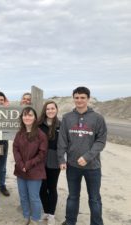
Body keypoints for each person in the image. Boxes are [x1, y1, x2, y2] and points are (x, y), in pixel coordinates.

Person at [58, 86, 107, 225]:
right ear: (73, 98)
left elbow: (101, 141)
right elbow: (62, 140)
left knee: (94, 198)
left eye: (82, 98)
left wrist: (87, 157)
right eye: (77, 97)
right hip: (72, 166)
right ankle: (70, 221)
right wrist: (62, 159)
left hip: (93, 167)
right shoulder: (67, 118)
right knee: (73, 197)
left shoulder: (97, 118)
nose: (79, 100)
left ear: (88, 99)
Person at [13, 106, 48, 225]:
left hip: (35, 171)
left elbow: (42, 153)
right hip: (20, 170)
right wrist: (20, 164)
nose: (27, 117)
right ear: (22, 117)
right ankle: (26, 216)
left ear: (35, 118)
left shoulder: (40, 134)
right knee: (23, 196)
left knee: (33, 197)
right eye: (25, 115)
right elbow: (15, 149)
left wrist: (27, 164)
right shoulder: (19, 133)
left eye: (30, 115)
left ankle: (35, 219)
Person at [38, 101, 61, 225]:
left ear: (56, 110)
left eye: (53, 108)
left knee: (52, 188)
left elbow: (64, 144)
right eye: (48, 109)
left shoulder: (61, 125)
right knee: (42, 188)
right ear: (45, 111)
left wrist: (63, 160)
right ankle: (46, 212)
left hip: (54, 160)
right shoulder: (39, 125)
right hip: (40, 161)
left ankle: (51, 215)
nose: (50, 111)